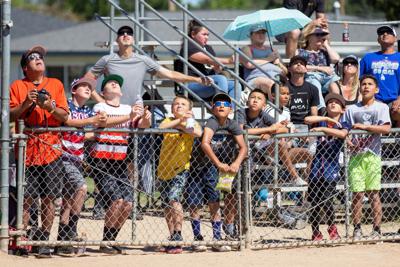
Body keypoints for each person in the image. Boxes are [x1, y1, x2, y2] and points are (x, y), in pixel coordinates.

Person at [10, 45, 69, 257]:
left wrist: (49, 107)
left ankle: (43, 239)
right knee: (26, 198)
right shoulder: (17, 85)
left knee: (49, 197)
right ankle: (23, 239)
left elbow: (64, 117)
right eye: (32, 58)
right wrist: (27, 103)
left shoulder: (55, 84)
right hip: (27, 150)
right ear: (26, 67)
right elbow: (10, 115)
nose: (38, 59)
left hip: (51, 147)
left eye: (40, 57)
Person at [89, 74, 151, 254]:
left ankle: (110, 239)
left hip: (119, 161)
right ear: (103, 92)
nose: (115, 84)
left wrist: (145, 116)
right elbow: (103, 122)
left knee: (129, 204)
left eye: (117, 83)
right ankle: (105, 241)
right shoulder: (100, 106)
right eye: (110, 83)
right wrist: (129, 116)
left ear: (121, 92)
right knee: (116, 200)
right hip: (102, 159)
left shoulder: (127, 108)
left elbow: (141, 125)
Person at [85, 25, 211, 105]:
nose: (125, 34)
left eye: (129, 32)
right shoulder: (107, 59)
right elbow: (87, 80)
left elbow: (170, 74)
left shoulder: (143, 60)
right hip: (113, 109)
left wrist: (196, 79)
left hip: (136, 110)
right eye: (121, 33)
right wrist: (100, 101)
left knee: (137, 146)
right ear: (116, 40)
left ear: (133, 39)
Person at [187, 93, 247, 252]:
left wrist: (236, 162)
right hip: (198, 168)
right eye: (218, 103)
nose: (221, 106)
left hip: (215, 169)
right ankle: (197, 237)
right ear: (212, 108)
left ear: (230, 109)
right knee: (195, 203)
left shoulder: (232, 123)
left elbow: (243, 147)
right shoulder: (212, 121)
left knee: (215, 202)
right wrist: (219, 163)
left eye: (225, 104)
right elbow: (205, 144)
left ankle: (217, 237)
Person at [56, 77, 107, 256]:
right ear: (73, 90)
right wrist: (92, 120)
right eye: (83, 86)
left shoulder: (86, 110)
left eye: (89, 87)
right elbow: (69, 122)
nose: (87, 89)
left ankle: (62, 239)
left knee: (69, 199)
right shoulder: (66, 105)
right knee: (82, 188)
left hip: (77, 159)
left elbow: (83, 133)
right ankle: (71, 229)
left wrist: (100, 125)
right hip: (62, 157)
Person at [343, 75, 391, 239]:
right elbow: (345, 129)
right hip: (356, 156)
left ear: (376, 89)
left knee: (374, 194)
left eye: (370, 84)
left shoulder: (382, 107)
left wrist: (365, 127)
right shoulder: (351, 109)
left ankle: (376, 229)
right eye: (363, 84)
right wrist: (348, 140)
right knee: (357, 194)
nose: (366, 87)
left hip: (373, 156)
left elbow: (386, 129)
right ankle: (357, 228)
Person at [157, 95, 202, 254]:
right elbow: (161, 128)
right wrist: (180, 121)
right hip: (163, 169)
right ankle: (172, 237)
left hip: (180, 168)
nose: (178, 106)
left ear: (189, 109)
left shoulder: (191, 121)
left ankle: (178, 234)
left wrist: (185, 123)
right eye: (176, 104)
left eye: (183, 104)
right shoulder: (168, 120)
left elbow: (197, 132)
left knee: (173, 199)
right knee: (166, 205)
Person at [237, 88, 307, 186]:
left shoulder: (263, 115)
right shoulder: (241, 112)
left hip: (259, 150)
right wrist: (267, 130)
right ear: (247, 101)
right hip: (243, 150)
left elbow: (284, 129)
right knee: (240, 186)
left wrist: (270, 133)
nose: (255, 100)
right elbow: (241, 131)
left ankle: (295, 177)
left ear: (264, 105)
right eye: (252, 97)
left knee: (282, 144)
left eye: (259, 99)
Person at [304, 93, 349, 241]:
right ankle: (315, 231)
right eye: (330, 102)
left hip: (331, 168)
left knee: (327, 200)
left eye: (337, 102)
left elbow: (342, 133)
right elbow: (307, 119)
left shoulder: (344, 122)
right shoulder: (322, 122)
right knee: (315, 202)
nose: (333, 104)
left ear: (343, 109)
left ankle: (332, 228)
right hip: (316, 168)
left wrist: (325, 130)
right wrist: (327, 119)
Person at [175, 19, 241, 100]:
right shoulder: (188, 47)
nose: (207, 37)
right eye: (204, 34)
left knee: (236, 84)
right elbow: (207, 60)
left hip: (207, 83)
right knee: (220, 79)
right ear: (193, 34)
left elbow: (214, 66)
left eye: (208, 35)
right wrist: (228, 61)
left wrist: (217, 68)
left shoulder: (208, 48)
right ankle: (221, 106)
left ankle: (232, 110)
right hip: (191, 84)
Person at [359, 25, 400, 127]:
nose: (384, 34)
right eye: (381, 33)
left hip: (395, 100)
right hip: (373, 100)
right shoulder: (368, 58)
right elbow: (359, 81)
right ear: (378, 40)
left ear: (395, 38)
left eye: (388, 32)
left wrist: (399, 100)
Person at [297, 24, 340, 111]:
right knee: (315, 84)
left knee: (334, 85)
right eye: (317, 35)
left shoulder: (324, 51)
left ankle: (336, 107)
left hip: (326, 78)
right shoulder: (301, 52)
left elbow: (336, 59)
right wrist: (320, 68)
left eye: (322, 35)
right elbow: (300, 66)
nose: (320, 37)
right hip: (311, 76)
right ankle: (321, 109)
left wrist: (326, 45)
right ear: (308, 37)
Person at [239, 25, 287, 103]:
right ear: (251, 36)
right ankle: (275, 111)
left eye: (263, 33)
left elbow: (285, 72)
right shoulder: (247, 49)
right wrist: (268, 59)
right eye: (258, 33)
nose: (261, 35)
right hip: (256, 79)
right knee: (271, 84)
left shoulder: (273, 50)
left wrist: (279, 64)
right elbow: (249, 64)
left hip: (277, 78)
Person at [287, 55, 319, 125]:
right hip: (287, 126)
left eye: (302, 63)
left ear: (306, 69)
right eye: (295, 63)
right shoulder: (283, 87)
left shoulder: (313, 88)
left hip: (306, 127)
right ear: (289, 69)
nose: (299, 64)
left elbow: (314, 114)